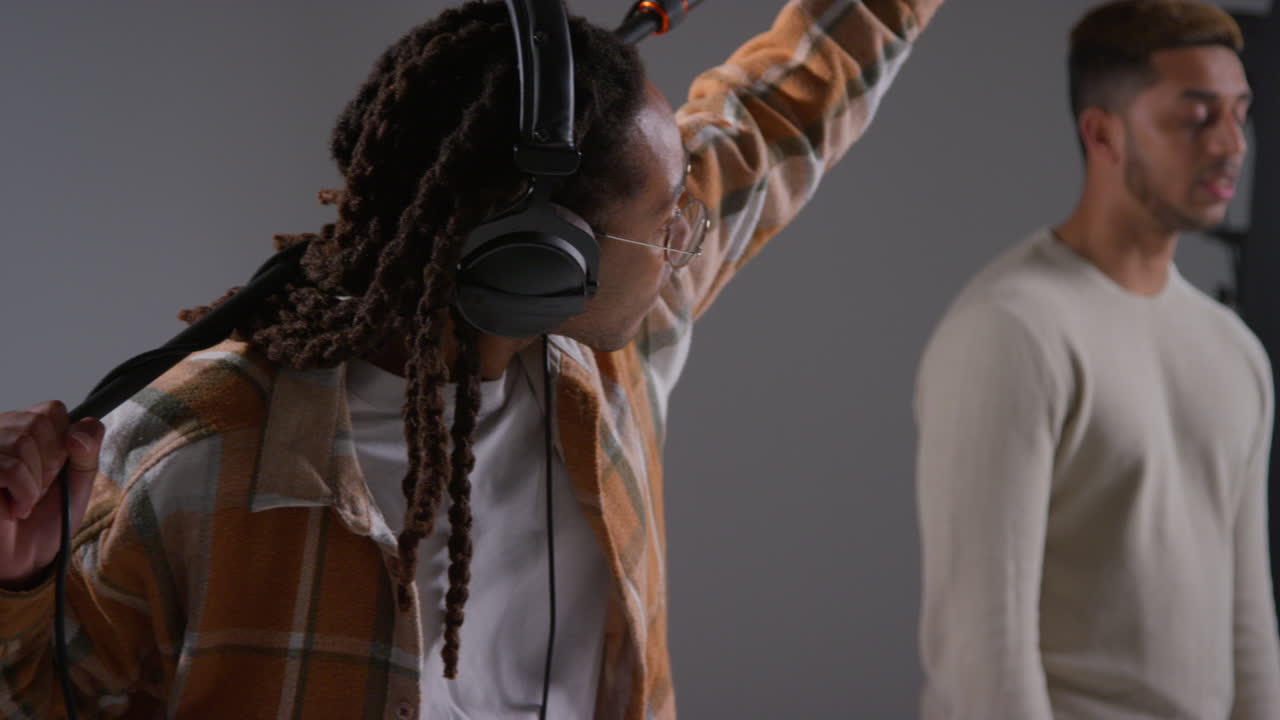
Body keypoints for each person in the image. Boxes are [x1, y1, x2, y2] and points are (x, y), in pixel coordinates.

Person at [0, 0, 944, 717]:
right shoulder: (192, 456)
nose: (689, 239)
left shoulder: (615, 344)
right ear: (537, 262)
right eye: (667, 222)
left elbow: (786, 107)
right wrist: (15, 585)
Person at [913, 1, 1280, 717]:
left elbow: (1248, 624)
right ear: (1102, 132)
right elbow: (984, 656)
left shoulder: (1233, 351)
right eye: (1197, 116)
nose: (1232, 143)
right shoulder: (1013, 329)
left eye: (1241, 112)